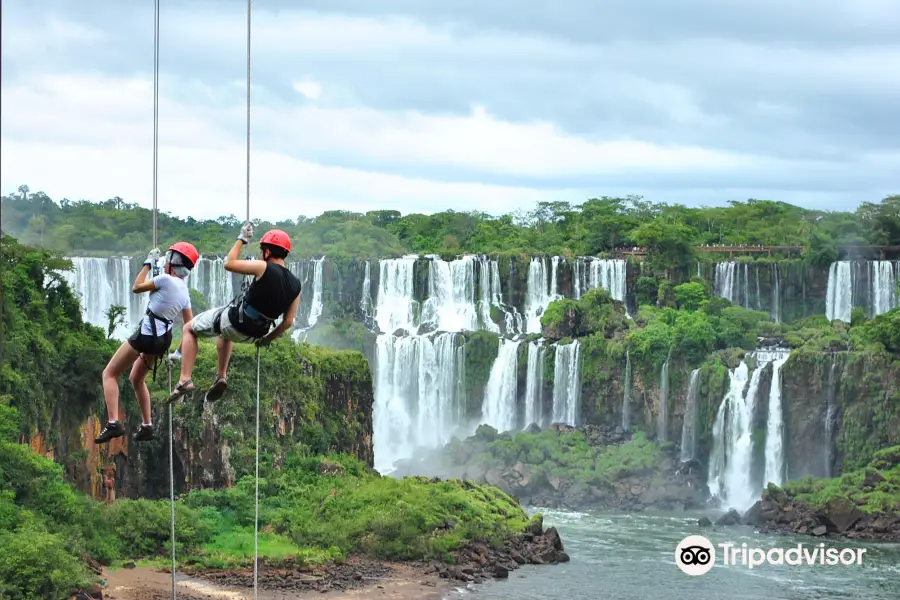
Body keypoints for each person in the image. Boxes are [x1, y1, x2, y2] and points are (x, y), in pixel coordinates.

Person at [167, 222, 302, 404]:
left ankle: (184, 380)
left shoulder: (263, 267)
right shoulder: (296, 285)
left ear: (267, 252)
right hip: (256, 334)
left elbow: (228, 264)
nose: (260, 255)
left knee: (189, 329)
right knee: (224, 334)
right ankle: (221, 376)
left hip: (237, 322)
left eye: (261, 251)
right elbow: (287, 323)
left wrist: (241, 240)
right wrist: (266, 340)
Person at [94, 242, 198, 444]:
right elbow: (189, 326)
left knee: (109, 373)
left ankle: (113, 422)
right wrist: (178, 351)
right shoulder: (185, 292)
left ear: (172, 262)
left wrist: (148, 264)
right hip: (162, 342)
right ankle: (147, 425)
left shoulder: (165, 280)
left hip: (146, 335)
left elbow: (136, 287)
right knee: (136, 379)